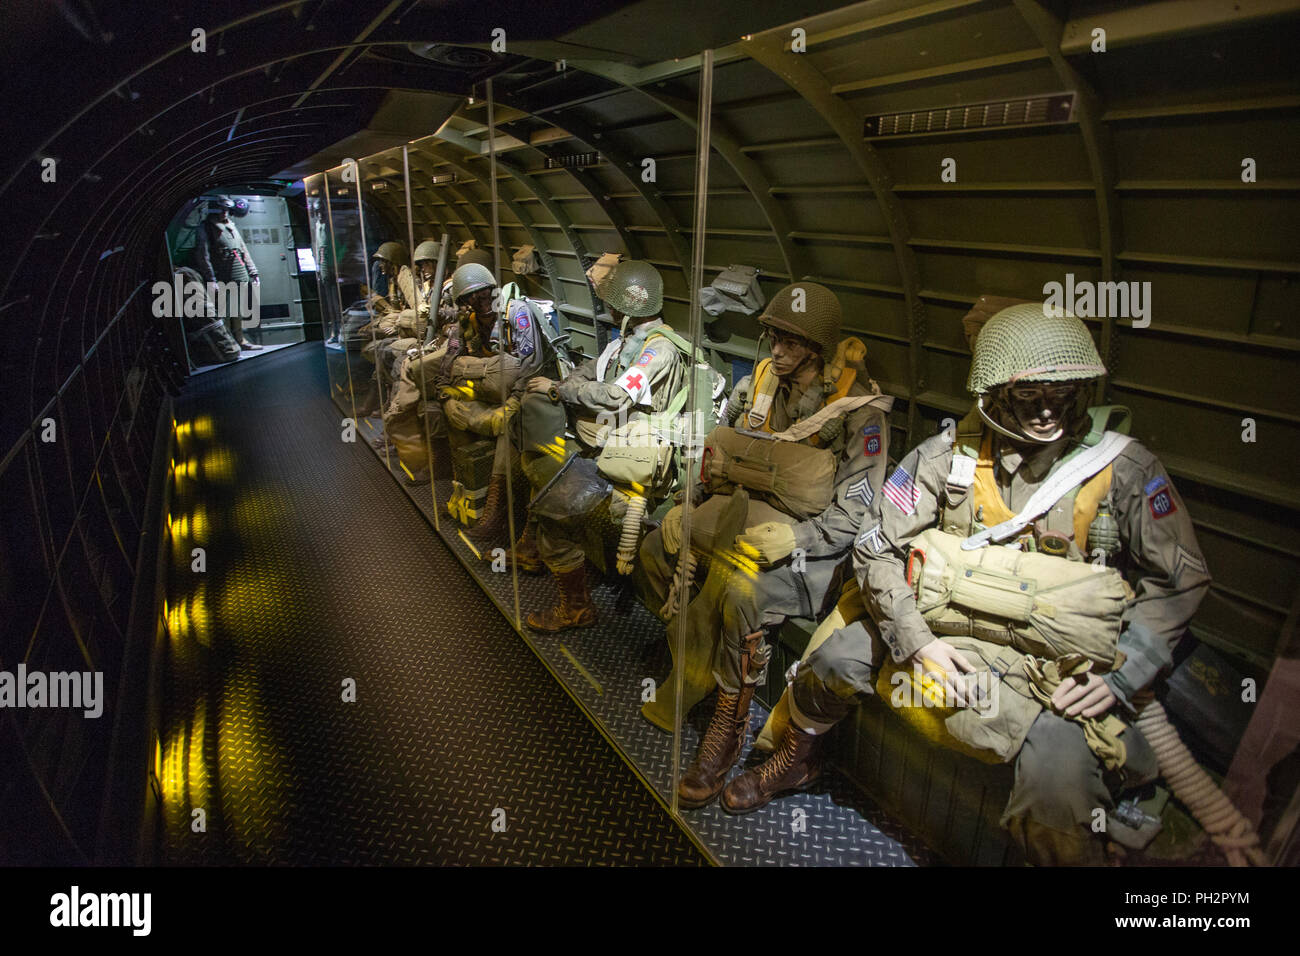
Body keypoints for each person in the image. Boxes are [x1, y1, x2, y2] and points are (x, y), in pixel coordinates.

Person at [731, 303, 1211, 866]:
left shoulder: (1123, 470)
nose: (1048, 412)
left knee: (1057, 785)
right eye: (1029, 396)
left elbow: (1181, 576)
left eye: (1065, 393)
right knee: (832, 662)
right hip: (950, 630)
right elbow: (876, 544)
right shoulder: (950, 455)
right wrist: (918, 641)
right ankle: (799, 758)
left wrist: (1128, 669)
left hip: (1055, 665)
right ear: (995, 393)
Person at [637, 282, 893, 809]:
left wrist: (796, 537)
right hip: (738, 517)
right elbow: (715, 448)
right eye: (774, 338)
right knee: (653, 553)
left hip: (815, 550)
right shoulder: (758, 383)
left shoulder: (860, 415)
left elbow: (857, 515)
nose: (776, 351)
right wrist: (687, 502)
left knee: (742, 591)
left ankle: (728, 726)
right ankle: (694, 657)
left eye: (791, 343)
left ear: (819, 351)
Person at [517, 260, 688, 631]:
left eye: (612, 302)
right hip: (606, 445)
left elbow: (614, 397)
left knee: (554, 519)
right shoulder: (627, 342)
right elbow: (594, 369)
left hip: (633, 460)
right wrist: (569, 381)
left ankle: (576, 607)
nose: (607, 309)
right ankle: (532, 548)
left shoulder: (657, 351)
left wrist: (563, 390)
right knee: (542, 475)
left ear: (626, 308)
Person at [193, 197, 261, 351]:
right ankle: (229, 342)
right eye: (222, 210)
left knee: (237, 309)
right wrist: (211, 279)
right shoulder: (205, 228)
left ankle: (240, 339)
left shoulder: (231, 226)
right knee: (224, 310)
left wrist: (253, 271)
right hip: (222, 273)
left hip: (239, 272)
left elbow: (243, 250)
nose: (225, 213)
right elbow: (203, 256)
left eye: (227, 210)